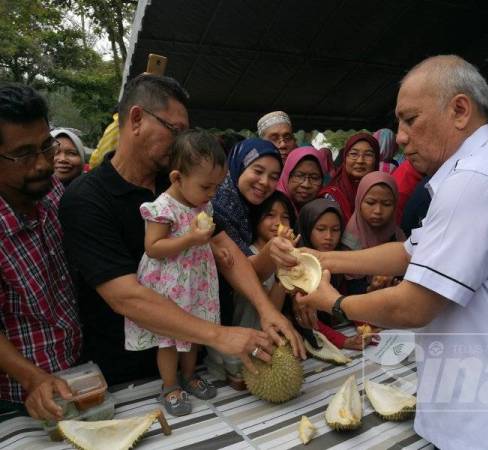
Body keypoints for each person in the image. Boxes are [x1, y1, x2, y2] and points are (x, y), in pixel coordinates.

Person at [285, 55, 488, 449]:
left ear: (459, 110)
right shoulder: (481, 170)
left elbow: (416, 305)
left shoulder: (476, 179)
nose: (399, 136)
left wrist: (338, 303)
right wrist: (318, 258)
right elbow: (409, 252)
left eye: (410, 119)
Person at [59, 74, 304, 386]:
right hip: (129, 376)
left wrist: (265, 308)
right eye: (174, 130)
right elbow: (127, 297)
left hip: (193, 363)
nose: (180, 142)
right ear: (136, 119)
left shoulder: (181, 183)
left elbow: (225, 247)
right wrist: (219, 335)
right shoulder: (86, 199)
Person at [124, 129, 225, 416]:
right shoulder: (163, 207)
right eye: (206, 187)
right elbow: (153, 247)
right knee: (169, 339)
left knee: (194, 332)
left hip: (196, 284)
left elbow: (202, 240)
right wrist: (192, 239)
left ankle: (190, 375)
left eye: (216, 187)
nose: (212, 194)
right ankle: (169, 385)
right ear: (177, 178)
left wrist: (216, 250)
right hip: (168, 286)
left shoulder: (202, 203)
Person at [0, 83, 82, 421]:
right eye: (24, 154)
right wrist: (33, 379)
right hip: (19, 398)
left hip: (77, 372)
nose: (43, 164)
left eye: (46, 146)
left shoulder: (51, 195)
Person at [209, 191, 295, 388]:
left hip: (262, 341)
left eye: (285, 217)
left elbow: (273, 310)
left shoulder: (288, 257)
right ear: (256, 220)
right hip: (234, 346)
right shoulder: (248, 258)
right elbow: (263, 308)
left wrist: (284, 273)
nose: (278, 223)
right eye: (270, 215)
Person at [295, 199, 369, 350]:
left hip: (337, 327)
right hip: (308, 339)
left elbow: (348, 298)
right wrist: (343, 341)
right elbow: (308, 317)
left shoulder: (341, 257)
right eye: (321, 229)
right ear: (307, 229)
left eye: (335, 229)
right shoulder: (298, 266)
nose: (329, 236)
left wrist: (364, 324)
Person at [319, 132, 380, 224]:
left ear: (376, 160)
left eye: (368, 155)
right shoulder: (332, 195)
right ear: (345, 158)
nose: (360, 161)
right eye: (354, 154)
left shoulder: (382, 191)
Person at [276, 146, 328, 214]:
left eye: (314, 178)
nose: (306, 185)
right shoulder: (273, 206)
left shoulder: (323, 211)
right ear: (287, 175)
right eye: (299, 176)